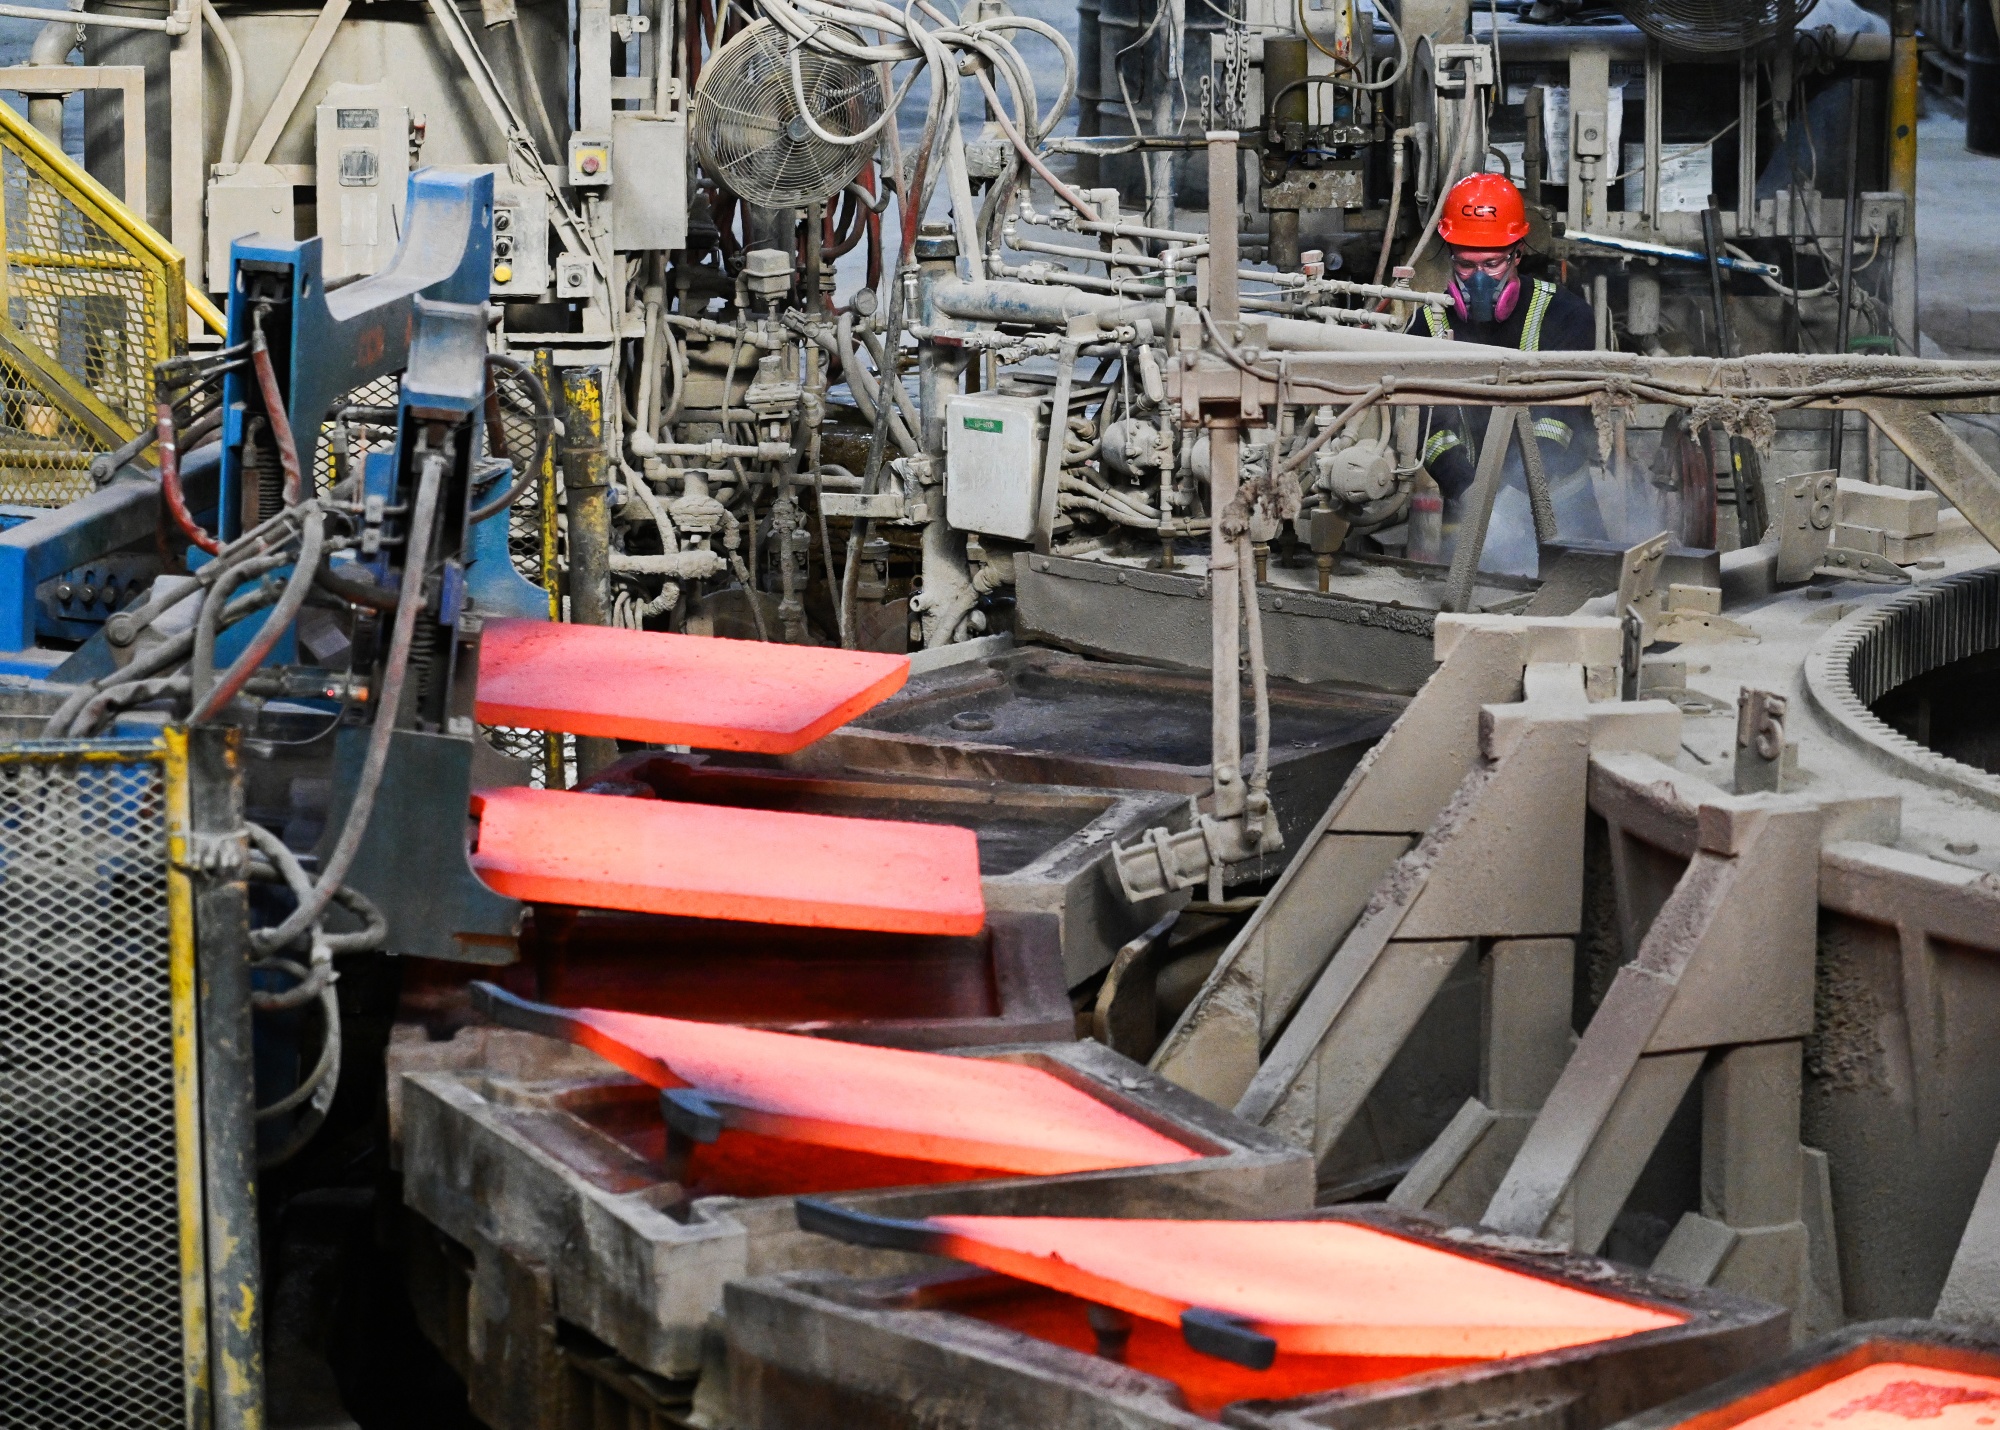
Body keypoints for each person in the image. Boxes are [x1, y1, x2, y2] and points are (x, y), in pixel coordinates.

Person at [1410, 172, 1603, 571]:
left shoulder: (1567, 317)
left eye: (1493, 263)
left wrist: (1510, 500)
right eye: (1465, 265)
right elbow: (1425, 429)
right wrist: (1467, 491)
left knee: (1582, 610)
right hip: (1468, 508)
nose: (1479, 280)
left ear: (1517, 253)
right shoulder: (1426, 324)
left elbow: (1559, 421)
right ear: (1449, 256)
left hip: (1563, 510)